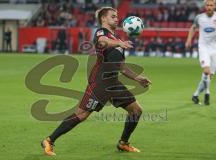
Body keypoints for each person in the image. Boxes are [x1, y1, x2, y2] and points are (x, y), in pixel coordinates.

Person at [41, 7, 151, 156]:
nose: (116, 19)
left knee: (136, 110)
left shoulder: (118, 39)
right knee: (82, 114)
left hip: (113, 82)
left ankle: (123, 143)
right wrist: (119, 43)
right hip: (100, 82)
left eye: (117, 16)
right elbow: (102, 42)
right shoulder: (102, 33)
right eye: (113, 16)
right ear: (103, 19)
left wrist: (138, 78)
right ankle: (49, 140)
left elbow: (122, 67)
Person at [185, 0, 216, 105]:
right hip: (203, 48)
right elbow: (193, 28)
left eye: (211, 5)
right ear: (205, 6)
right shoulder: (199, 17)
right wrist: (189, 40)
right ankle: (207, 93)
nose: (209, 7)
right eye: (207, 5)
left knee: (209, 75)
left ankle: (196, 95)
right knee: (206, 71)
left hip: (214, 49)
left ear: (214, 6)